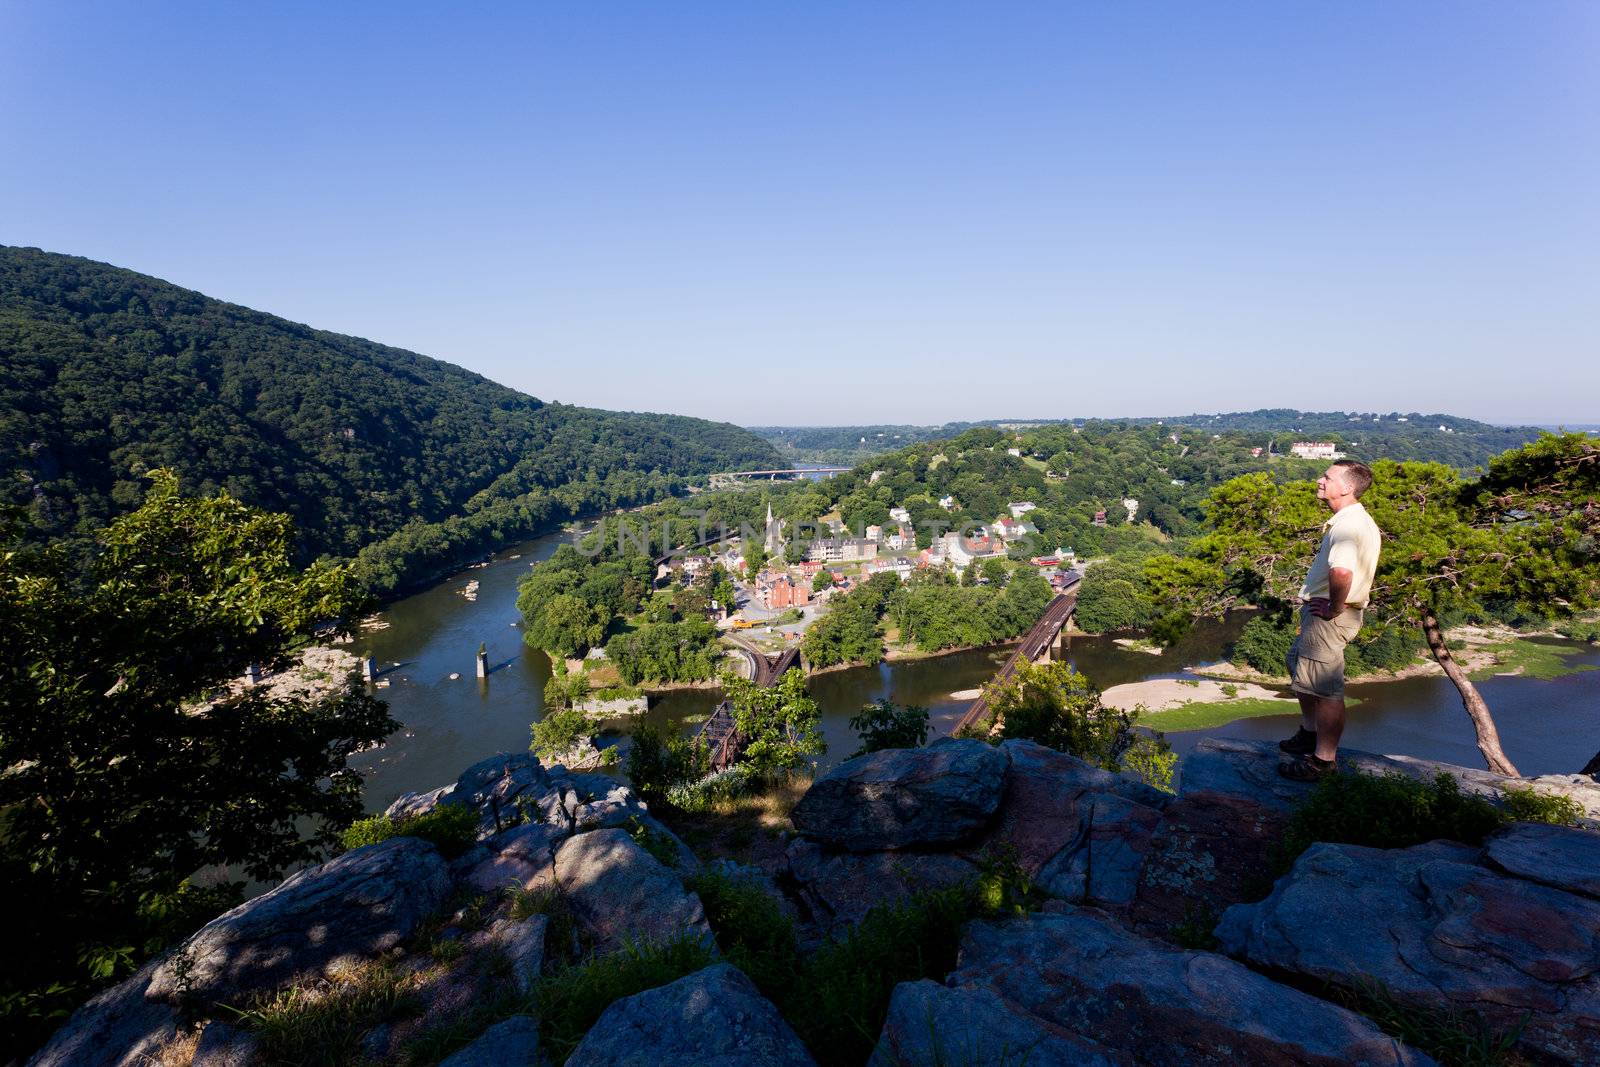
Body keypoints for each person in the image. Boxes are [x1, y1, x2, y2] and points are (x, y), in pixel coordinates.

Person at [1278, 459, 1381, 779]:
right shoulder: (1349, 521)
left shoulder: (1348, 526)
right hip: (1322, 616)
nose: (1320, 480)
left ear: (1348, 488)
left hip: (1330, 617)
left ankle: (1323, 761)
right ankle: (1310, 734)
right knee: (1297, 662)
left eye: (1328, 477)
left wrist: (1336, 608)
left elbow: (1342, 571)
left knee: (1325, 689)